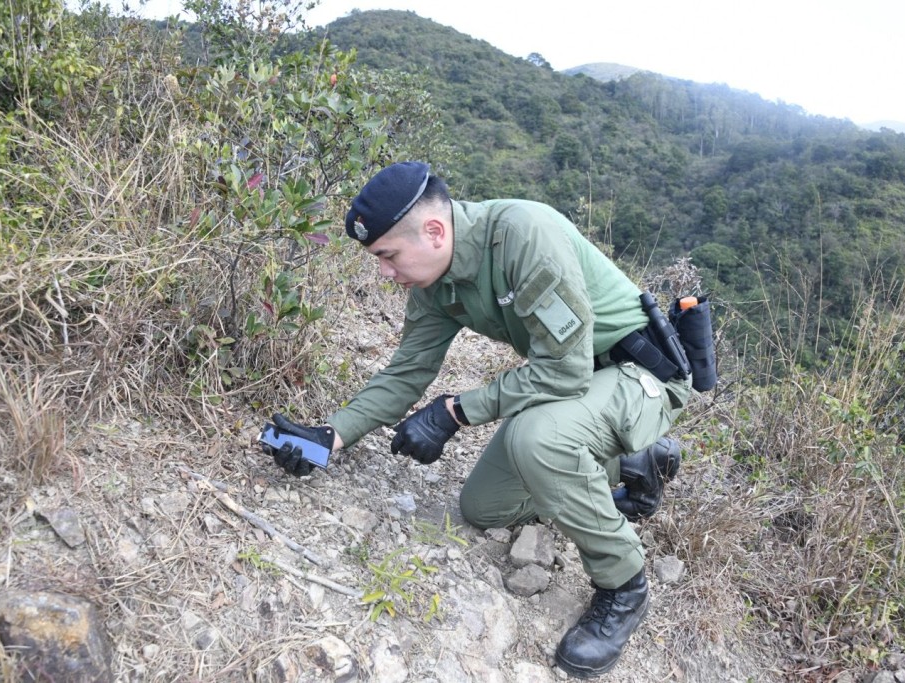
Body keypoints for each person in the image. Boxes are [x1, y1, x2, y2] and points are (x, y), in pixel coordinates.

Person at [264, 161, 692, 679]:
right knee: (484, 507)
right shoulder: (434, 284)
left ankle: (625, 585)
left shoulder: (523, 235)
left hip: (637, 375)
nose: (384, 272)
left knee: (539, 441)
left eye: (388, 256)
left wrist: (454, 411)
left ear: (435, 231)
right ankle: (628, 459)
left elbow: (566, 368)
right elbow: (407, 372)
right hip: (574, 390)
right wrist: (332, 435)